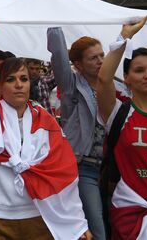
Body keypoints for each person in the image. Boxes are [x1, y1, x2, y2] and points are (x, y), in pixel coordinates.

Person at [0, 18, 91, 240]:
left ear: (30, 84)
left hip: (39, 217)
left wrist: (77, 222)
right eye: (10, 79)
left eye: (24, 79)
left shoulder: (45, 119)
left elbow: (63, 174)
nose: (18, 84)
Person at [96, 16, 147, 240]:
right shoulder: (119, 112)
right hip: (130, 214)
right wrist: (125, 37)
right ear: (127, 78)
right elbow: (103, 79)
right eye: (140, 71)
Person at [47, 27, 107, 239]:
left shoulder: (114, 85)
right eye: (93, 58)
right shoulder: (72, 86)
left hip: (112, 168)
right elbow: (59, 57)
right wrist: (56, 23)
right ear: (78, 65)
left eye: (102, 55)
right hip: (85, 166)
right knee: (97, 228)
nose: (100, 61)